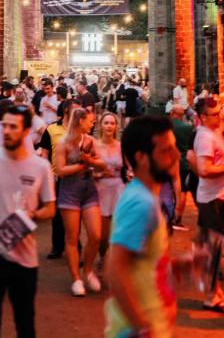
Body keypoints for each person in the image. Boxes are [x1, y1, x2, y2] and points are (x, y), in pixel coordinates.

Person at [105, 115, 197, 338]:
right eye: (166, 151)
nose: (176, 156)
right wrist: (142, 326)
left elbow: (141, 265)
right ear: (142, 158)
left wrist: (177, 265)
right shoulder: (141, 203)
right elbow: (115, 269)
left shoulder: (145, 196)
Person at [0, 104, 55, 338]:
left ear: (26, 131)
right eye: (4, 125)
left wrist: (34, 214)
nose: (6, 131)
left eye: (13, 127)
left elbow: (50, 208)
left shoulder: (40, 167)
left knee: (25, 324)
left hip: (24, 258)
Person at [189, 95, 224, 314]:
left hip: (221, 197)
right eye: (214, 115)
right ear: (202, 117)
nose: (219, 117)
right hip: (214, 199)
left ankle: (216, 291)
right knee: (213, 249)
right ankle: (211, 296)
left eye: (219, 113)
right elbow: (205, 169)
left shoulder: (214, 132)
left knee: (215, 247)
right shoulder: (205, 138)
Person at [56, 106, 106, 296]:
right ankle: (76, 278)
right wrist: (82, 164)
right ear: (80, 121)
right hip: (69, 192)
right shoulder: (64, 144)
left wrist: (91, 162)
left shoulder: (90, 141)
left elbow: (101, 162)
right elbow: (60, 170)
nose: (93, 123)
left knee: (95, 235)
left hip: (88, 190)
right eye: (90, 121)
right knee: (72, 236)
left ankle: (88, 270)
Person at [39, 98, 79, 259]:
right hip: (56, 177)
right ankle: (57, 246)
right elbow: (45, 154)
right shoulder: (51, 129)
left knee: (75, 214)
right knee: (57, 215)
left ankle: (76, 246)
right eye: (76, 109)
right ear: (67, 111)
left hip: (75, 177)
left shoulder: (81, 130)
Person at [95, 112, 124, 262]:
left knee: (118, 230)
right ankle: (102, 257)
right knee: (103, 233)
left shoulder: (121, 146)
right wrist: (99, 175)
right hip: (101, 190)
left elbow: (128, 168)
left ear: (116, 127)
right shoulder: (94, 145)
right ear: (100, 125)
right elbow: (87, 171)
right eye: (106, 123)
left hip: (119, 189)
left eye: (112, 123)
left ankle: (115, 262)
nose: (109, 126)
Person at [169, 104, 195, 228]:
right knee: (183, 190)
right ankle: (178, 216)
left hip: (168, 162)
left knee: (168, 188)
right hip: (183, 162)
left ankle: (169, 214)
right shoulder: (188, 127)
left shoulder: (166, 127)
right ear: (181, 115)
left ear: (172, 113)